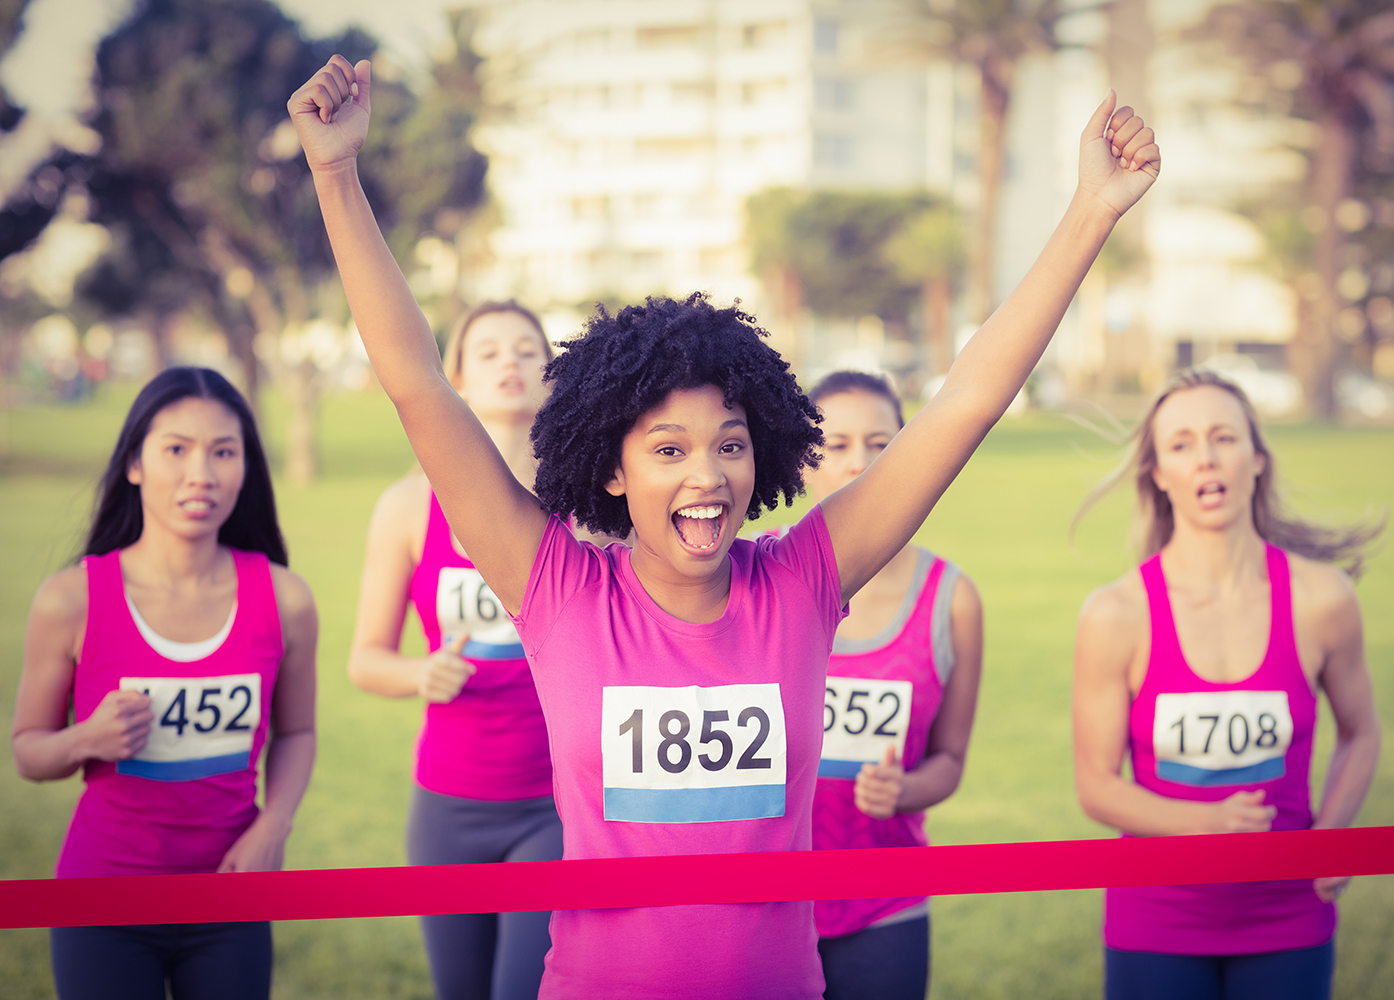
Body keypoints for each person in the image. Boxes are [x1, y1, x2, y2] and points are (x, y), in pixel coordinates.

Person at [288, 54, 1159, 999]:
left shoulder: (803, 579)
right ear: (612, 472)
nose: (708, 476)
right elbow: (418, 382)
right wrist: (336, 175)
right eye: (668, 451)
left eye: (730, 445)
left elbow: (965, 404)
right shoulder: (556, 586)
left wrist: (1091, 211)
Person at [1071, 368, 1383, 1000]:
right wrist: (1206, 822)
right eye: (1181, 444)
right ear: (1158, 472)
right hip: (1154, 918)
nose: (1206, 457)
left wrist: (1332, 836)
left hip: (1289, 913)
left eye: (1224, 437)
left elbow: (1362, 731)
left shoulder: (1322, 599)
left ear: (1258, 458)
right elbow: (1097, 787)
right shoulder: (1116, 614)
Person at [12, 367, 318, 1000]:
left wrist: (272, 828)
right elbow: (28, 752)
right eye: (176, 449)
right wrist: (85, 738)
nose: (200, 473)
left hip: (231, 900)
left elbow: (299, 731)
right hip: (103, 903)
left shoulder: (286, 599)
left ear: (245, 469)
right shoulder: (70, 601)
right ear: (134, 463)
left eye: (223, 452)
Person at [348, 300, 563, 1000]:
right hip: (447, 806)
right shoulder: (408, 507)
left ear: (552, 378)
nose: (511, 362)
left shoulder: (590, 510)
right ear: (457, 379)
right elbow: (366, 660)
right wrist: (422, 671)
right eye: (490, 350)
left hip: (557, 808)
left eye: (528, 350)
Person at [801, 372, 983, 1000]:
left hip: (887, 904)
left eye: (881, 444)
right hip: (764, 904)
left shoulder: (951, 598)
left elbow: (951, 759)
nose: (860, 463)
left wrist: (906, 789)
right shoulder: (755, 578)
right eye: (837, 445)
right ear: (803, 461)